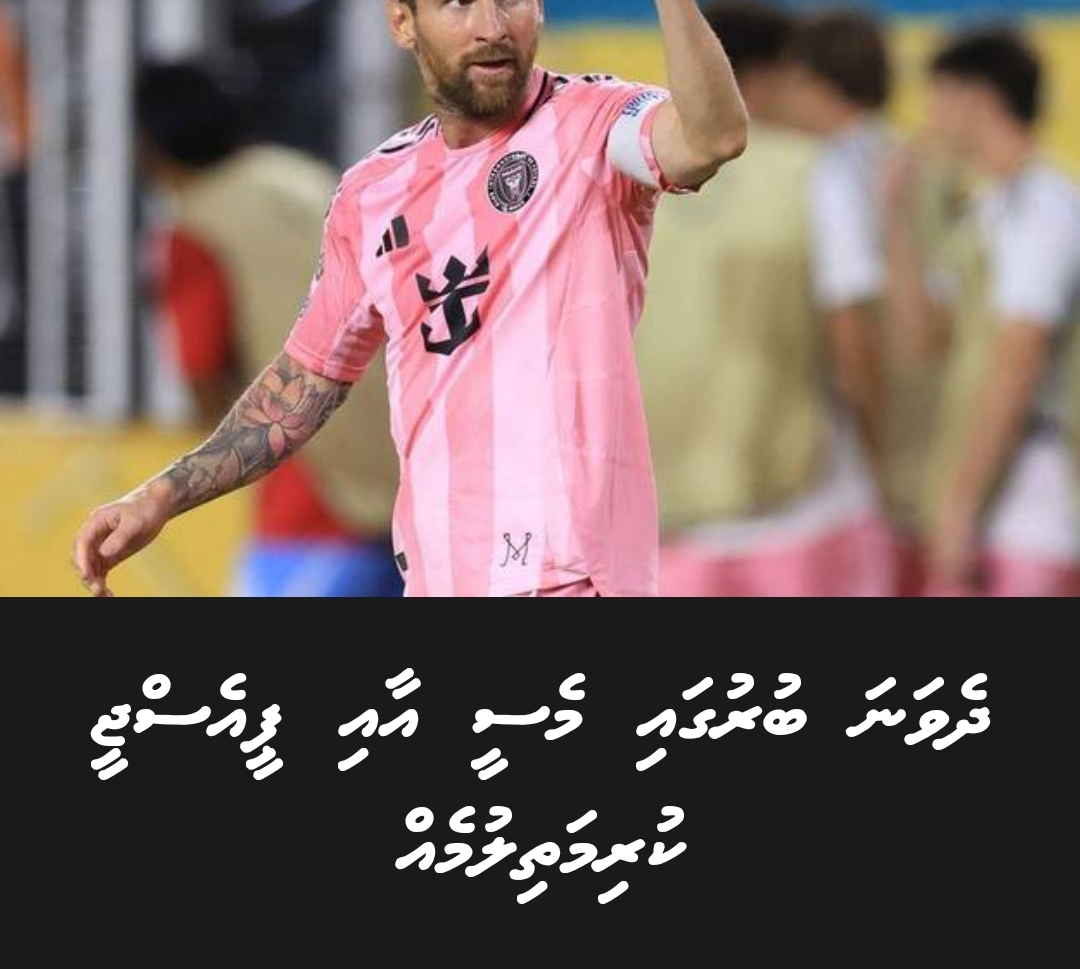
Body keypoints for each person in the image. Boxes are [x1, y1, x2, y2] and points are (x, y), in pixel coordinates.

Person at [73, 0, 749, 598]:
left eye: (512, 0)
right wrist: (158, 497)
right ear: (402, 21)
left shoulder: (595, 123)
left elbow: (711, 137)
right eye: (457, 3)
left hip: (570, 576)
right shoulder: (373, 191)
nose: (491, 26)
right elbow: (304, 381)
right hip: (435, 575)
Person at [642, 2, 893, 596]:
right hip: (796, 516)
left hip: (665, 521)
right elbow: (854, 344)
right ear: (761, 78)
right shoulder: (814, 172)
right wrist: (885, 460)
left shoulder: (637, 179)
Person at [137, 62, 403, 597]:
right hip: (410, 470)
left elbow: (204, 382)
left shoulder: (195, 229)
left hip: (313, 507)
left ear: (150, 148)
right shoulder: (305, 178)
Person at [883, 27, 1080, 596]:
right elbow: (926, 340)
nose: (928, 116)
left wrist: (960, 506)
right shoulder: (986, 208)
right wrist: (896, 219)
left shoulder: (1042, 207)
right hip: (990, 501)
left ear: (977, 98)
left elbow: (1019, 358)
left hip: (1034, 505)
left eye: (937, 96)